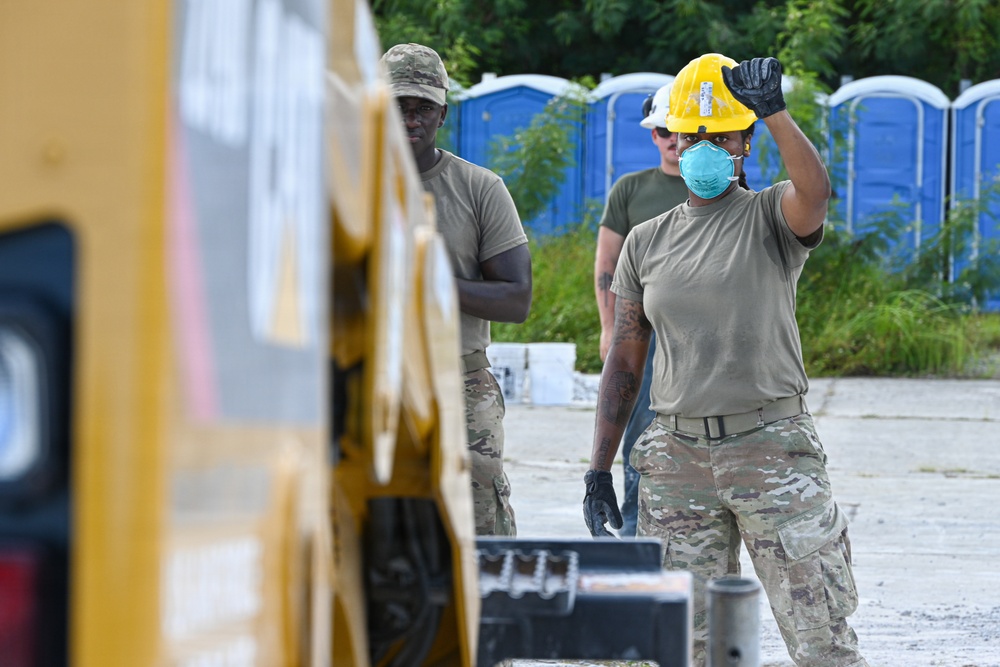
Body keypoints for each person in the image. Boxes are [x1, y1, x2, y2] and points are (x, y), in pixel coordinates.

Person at [583, 53, 869, 667]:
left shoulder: (770, 216)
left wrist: (777, 114)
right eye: (694, 135)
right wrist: (599, 467)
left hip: (771, 450)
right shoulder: (647, 240)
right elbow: (626, 362)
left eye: (722, 135)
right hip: (675, 459)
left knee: (821, 638)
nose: (705, 146)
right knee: (678, 643)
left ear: (743, 143)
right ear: (676, 142)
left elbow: (816, 191)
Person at [380, 43, 531, 536]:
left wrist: (429, 277)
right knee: (373, 528)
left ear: (443, 112)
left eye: (423, 106)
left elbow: (515, 297)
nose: (410, 117)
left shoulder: (479, 188)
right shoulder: (343, 186)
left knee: (478, 529)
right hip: (369, 381)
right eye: (397, 104)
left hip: (460, 384)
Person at [593, 83, 688, 537]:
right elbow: (607, 263)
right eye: (664, 132)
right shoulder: (631, 190)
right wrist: (609, 327)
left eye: (681, 131)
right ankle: (634, 525)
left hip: (699, 333)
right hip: (644, 334)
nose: (673, 140)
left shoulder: (717, 188)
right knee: (639, 427)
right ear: (654, 136)